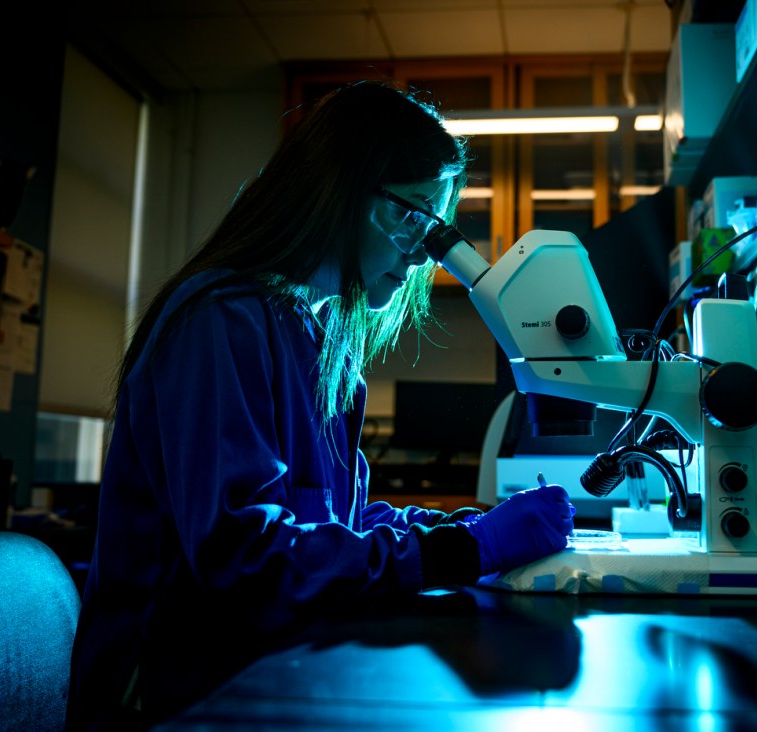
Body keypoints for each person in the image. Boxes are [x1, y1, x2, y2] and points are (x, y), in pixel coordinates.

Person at [66, 81, 575, 731]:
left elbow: (340, 518)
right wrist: (461, 551)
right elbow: (247, 561)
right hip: (171, 700)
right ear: (341, 191)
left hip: (260, 665)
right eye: (413, 216)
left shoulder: (319, 339)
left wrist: (474, 528)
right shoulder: (220, 321)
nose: (424, 254)